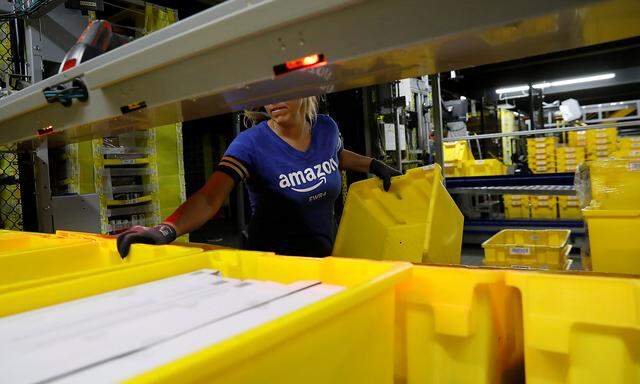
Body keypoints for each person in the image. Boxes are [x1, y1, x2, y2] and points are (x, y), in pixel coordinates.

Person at [117, 97, 401, 258]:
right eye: (267, 93)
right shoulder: (249, 144)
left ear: (304, 90)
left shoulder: (326, 128)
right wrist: (166, 229)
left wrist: (374, 165)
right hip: (270, 266)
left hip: (324, 258)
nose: (274, 101)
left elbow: (335, 156)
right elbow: (208, 198)